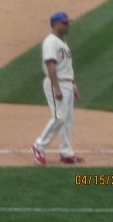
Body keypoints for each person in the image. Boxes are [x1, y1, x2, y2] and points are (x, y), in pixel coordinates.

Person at [31, 11, 84, 165]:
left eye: (68, 22)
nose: (68, 25)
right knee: (59, 117)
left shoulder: (63, 43)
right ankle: (38, 146)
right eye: (65, 23)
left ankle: (66, 152)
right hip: (57, 83)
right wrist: (57, 88)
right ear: (55, 24)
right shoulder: (51, 41)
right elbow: (51, 65)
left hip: (66, 83)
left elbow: (67, 68)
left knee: (67, 120)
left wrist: (73, 87)